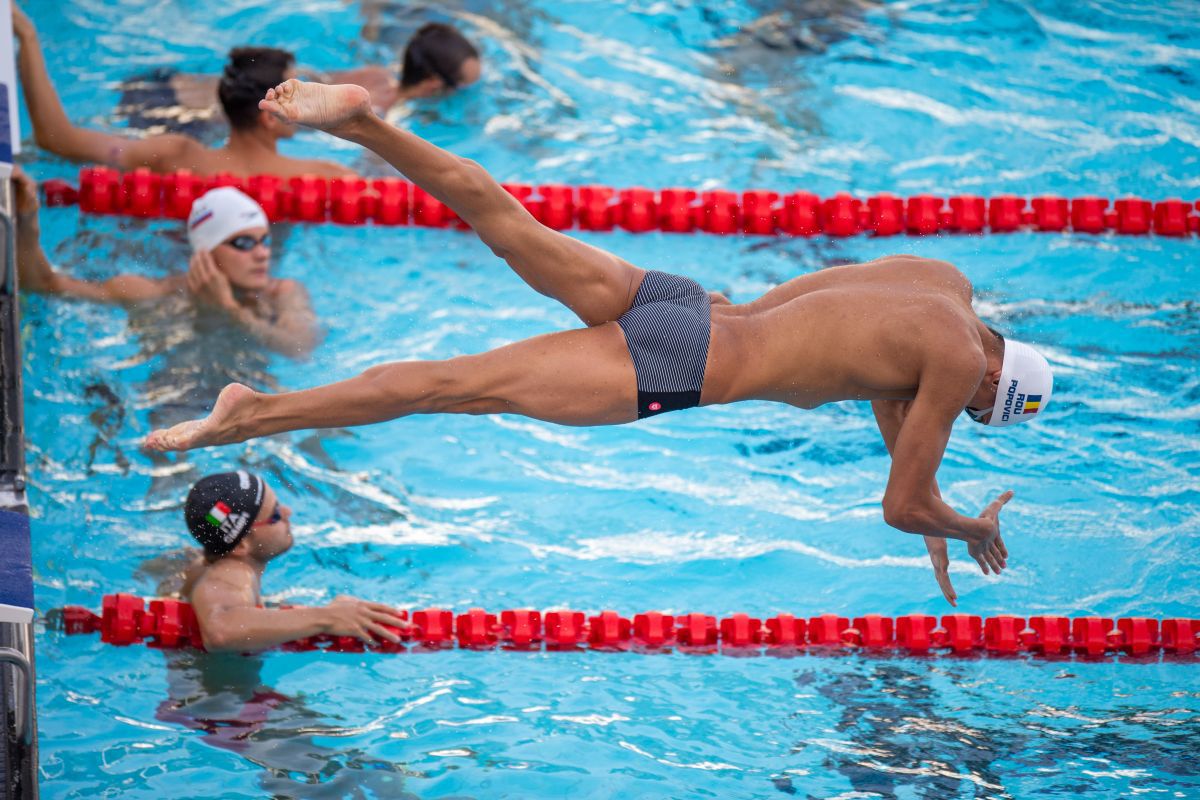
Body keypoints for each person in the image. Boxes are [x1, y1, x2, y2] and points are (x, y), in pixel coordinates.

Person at [146, 80, 1057, 602]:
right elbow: (900, 502)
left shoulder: (945, 294)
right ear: (990, 383)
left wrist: (931, 503)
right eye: (978, 411)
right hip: (679, 366)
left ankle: (363, 122)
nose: (965, 410)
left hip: (687, 305)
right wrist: (963, 525)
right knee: (446, 385)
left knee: (503, 216)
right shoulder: (957, 367)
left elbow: (883, 390)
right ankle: (253, 413)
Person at [11, 6, 352, 177]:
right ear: (269, 116)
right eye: (296, 93)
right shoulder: (321, 175)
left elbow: (56, 139)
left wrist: (27, 36)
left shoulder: (179, 157)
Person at [13, 170, 321, 358]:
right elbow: (44, 285)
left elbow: (301, 348)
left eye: (264, 240)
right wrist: (27, 222)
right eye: (243, 243)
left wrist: (230, 310)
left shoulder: (282, 293)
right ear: (205, 252)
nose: (262, 253)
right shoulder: (155, 293)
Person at [176, 470, 410, 652]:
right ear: (241, 545)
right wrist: (327, 617)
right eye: (275, 515)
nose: (288, 513)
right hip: (220, 703)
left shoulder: (209, 564)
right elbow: (221, 631)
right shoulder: (233, 573)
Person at [115, 21, 481, 134]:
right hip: (177, 119)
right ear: (433, 85)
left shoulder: (374, 72)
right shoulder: (386, 111)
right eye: (462, 87)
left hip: (169, 82)